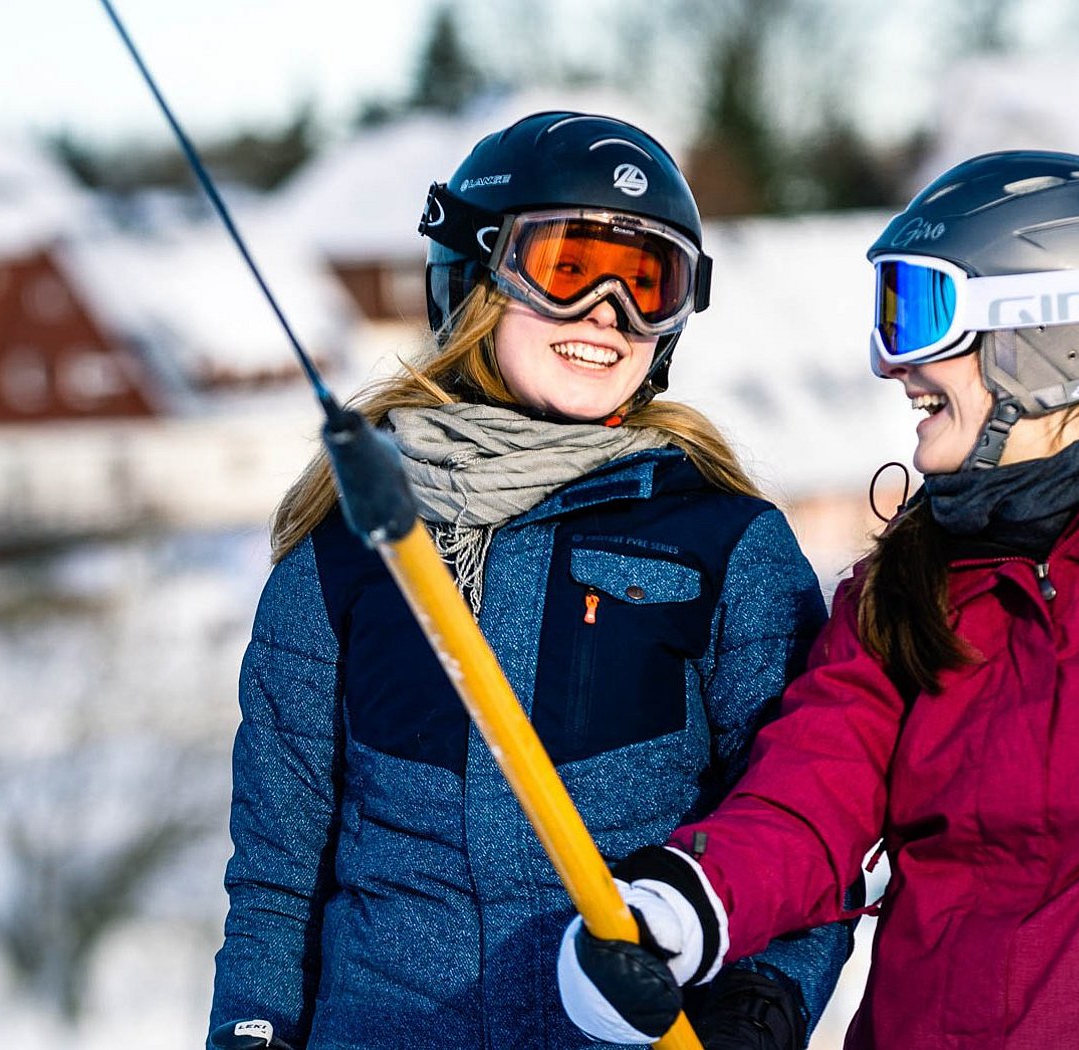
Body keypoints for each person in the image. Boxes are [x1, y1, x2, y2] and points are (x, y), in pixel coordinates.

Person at [557, 151, 1079, 1049]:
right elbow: (808, 807)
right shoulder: (901, 589)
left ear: (1056, 339)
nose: (896, 367)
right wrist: (685, 903)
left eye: (919, 314)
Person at [208, 111, 848, 1050]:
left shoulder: (725, 545)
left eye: (646, 283)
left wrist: (760, 1007)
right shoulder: (350, 552)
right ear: (473, 279)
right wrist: (251, 1032)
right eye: (567, 267)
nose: (607, 314)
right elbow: (278, 871)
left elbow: (799, 827)